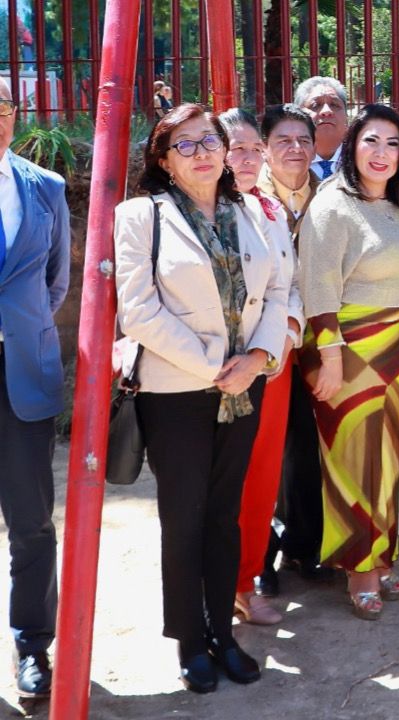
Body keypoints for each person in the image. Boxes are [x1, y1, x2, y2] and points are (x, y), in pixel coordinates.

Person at [114, 103, 288, 692]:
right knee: (183, 520)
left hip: (244, 388)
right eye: (184, 145)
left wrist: (259, 359)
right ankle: (190, 640)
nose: (203, 152)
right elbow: (138, 310)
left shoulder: (250, 210)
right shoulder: (142, 215)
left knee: (225, 516)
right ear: (163, 160)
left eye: (209, 140)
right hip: (179, 392)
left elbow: (279, 289)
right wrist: (221, 367)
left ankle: (223, 633)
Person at [297, 104, 399, 620]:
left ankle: (382, 551)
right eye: (371, 141)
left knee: (387, 459)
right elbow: (318, 289)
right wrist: (329, 358)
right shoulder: (332, 206)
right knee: (353, 460)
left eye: (393, 144)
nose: (381, 153)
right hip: (346, 348)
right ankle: (359, 567)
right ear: (352, 146)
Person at [219, 107, 304, 626]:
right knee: (215, 480)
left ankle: (247, 580)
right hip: (209, 370)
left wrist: (286, 336)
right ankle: (210, 585)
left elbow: (289, 286)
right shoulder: (186, 211)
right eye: (235, 148)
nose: (246, 158)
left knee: (259, 478)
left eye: (254, 149)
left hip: (271, 364)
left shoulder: (271, 210)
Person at [0, 76, 69, 699]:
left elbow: (55, 283)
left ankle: (32, 647)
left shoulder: (44, 188)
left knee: (31, 522)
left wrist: (17, 329)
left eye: (1, 107)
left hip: (23, 374)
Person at [255, 103, 331, 595]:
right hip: (264, 340)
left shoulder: (328, 196)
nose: (295, 149)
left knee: (307, 447)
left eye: (303, 140)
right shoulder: (248, 197)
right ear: (264, 146)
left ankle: (307, 546)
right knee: (261, 452)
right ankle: (259, 557)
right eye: (284, 140)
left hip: (316, 343)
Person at [295, 76, 349, 180]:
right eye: (315, 105)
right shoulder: (284, 161)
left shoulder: (362, 160)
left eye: (334, 104)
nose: (326, 111)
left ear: (346, 117)